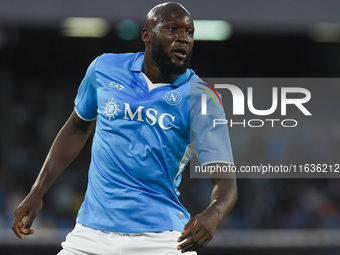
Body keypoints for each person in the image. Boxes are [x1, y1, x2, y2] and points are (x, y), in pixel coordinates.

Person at [12, 2, 237, 254]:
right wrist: (37, 190)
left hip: (160, 238)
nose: (183, 38)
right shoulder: (104, 69)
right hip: (90, 235)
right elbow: (76, 127)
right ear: (147, 34)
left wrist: (214, 213)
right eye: (173, 29)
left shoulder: (202, 98)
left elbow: (225, 179)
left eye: (189, 32)